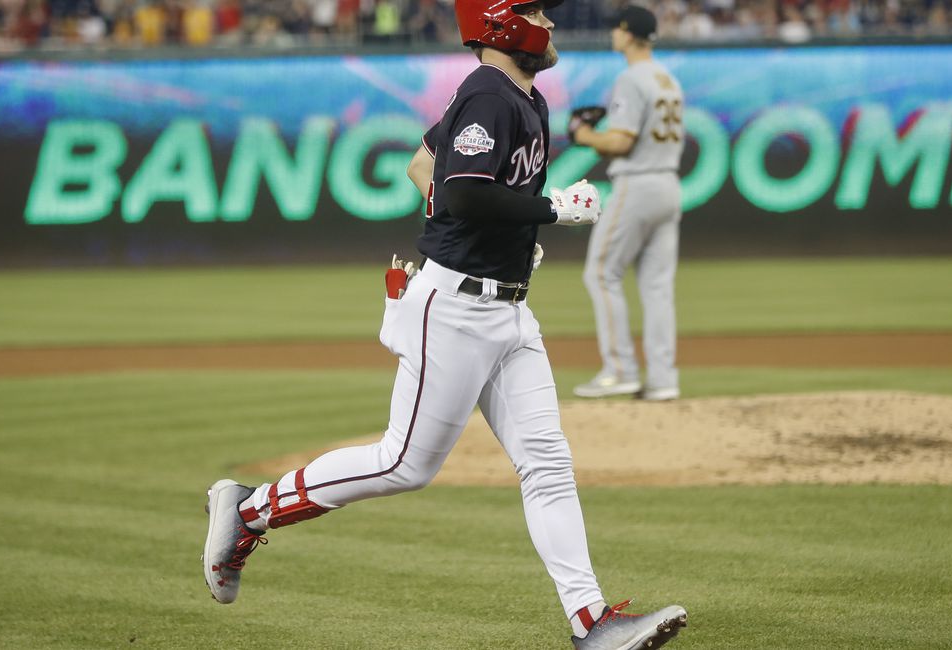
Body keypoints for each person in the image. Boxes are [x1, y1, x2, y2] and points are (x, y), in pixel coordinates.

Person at [201, 1, 688, 648]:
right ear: (502, 24)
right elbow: (460, 191)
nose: (548, 22)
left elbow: (424, 166)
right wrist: (549, 209)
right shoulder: (491, 93)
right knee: (404, 463)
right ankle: (248, 508)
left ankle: (592, 624)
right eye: (535, 10)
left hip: (508, 308)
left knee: (547, 464)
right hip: (456, 308)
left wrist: (497, 237)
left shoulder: (514, 94)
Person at [569, 5, 685, 402]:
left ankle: (620, 370)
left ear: (629, 33)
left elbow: (621, 141)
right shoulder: (668, 78)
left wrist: (584, 135)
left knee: (601, 273)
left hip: (637, 184)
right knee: (657, 287)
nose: (613, 34)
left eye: (617, 28)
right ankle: (663, 379)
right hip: (668, 184)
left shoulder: (631, 78)